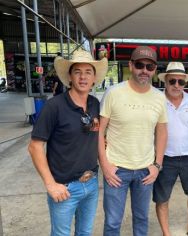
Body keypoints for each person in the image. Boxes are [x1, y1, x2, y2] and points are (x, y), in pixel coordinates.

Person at [28, 50, 108, 235]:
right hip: (64, 187)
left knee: (85, 233)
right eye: (77, 72)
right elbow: (34, 147)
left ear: (94, 78)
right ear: (70, 77)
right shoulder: (54, 106)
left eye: (88, 72)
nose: (83, 77)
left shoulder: (95, 104)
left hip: (91, 183)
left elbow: (96, 134)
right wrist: (50, 184)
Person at [99, 46, 168, 236]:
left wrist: (157, 165)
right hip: (116, 169)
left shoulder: (159, 97)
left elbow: (162, 132)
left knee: (141, 219)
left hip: (145, 170)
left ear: (154, 70)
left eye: (150, 66)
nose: (144, 70)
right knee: (113, 222)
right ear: (130, 65)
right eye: (139, 65)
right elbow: (99, 132)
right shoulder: (113, 93)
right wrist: (105, 165)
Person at [153, 62, 188, 236]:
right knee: (162, 198)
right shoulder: (156, 100)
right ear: (165, 81)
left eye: (180, 82)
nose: (176, 85)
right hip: (164, 157)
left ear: (185, 83)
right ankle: (166, 233)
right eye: (172, 81)